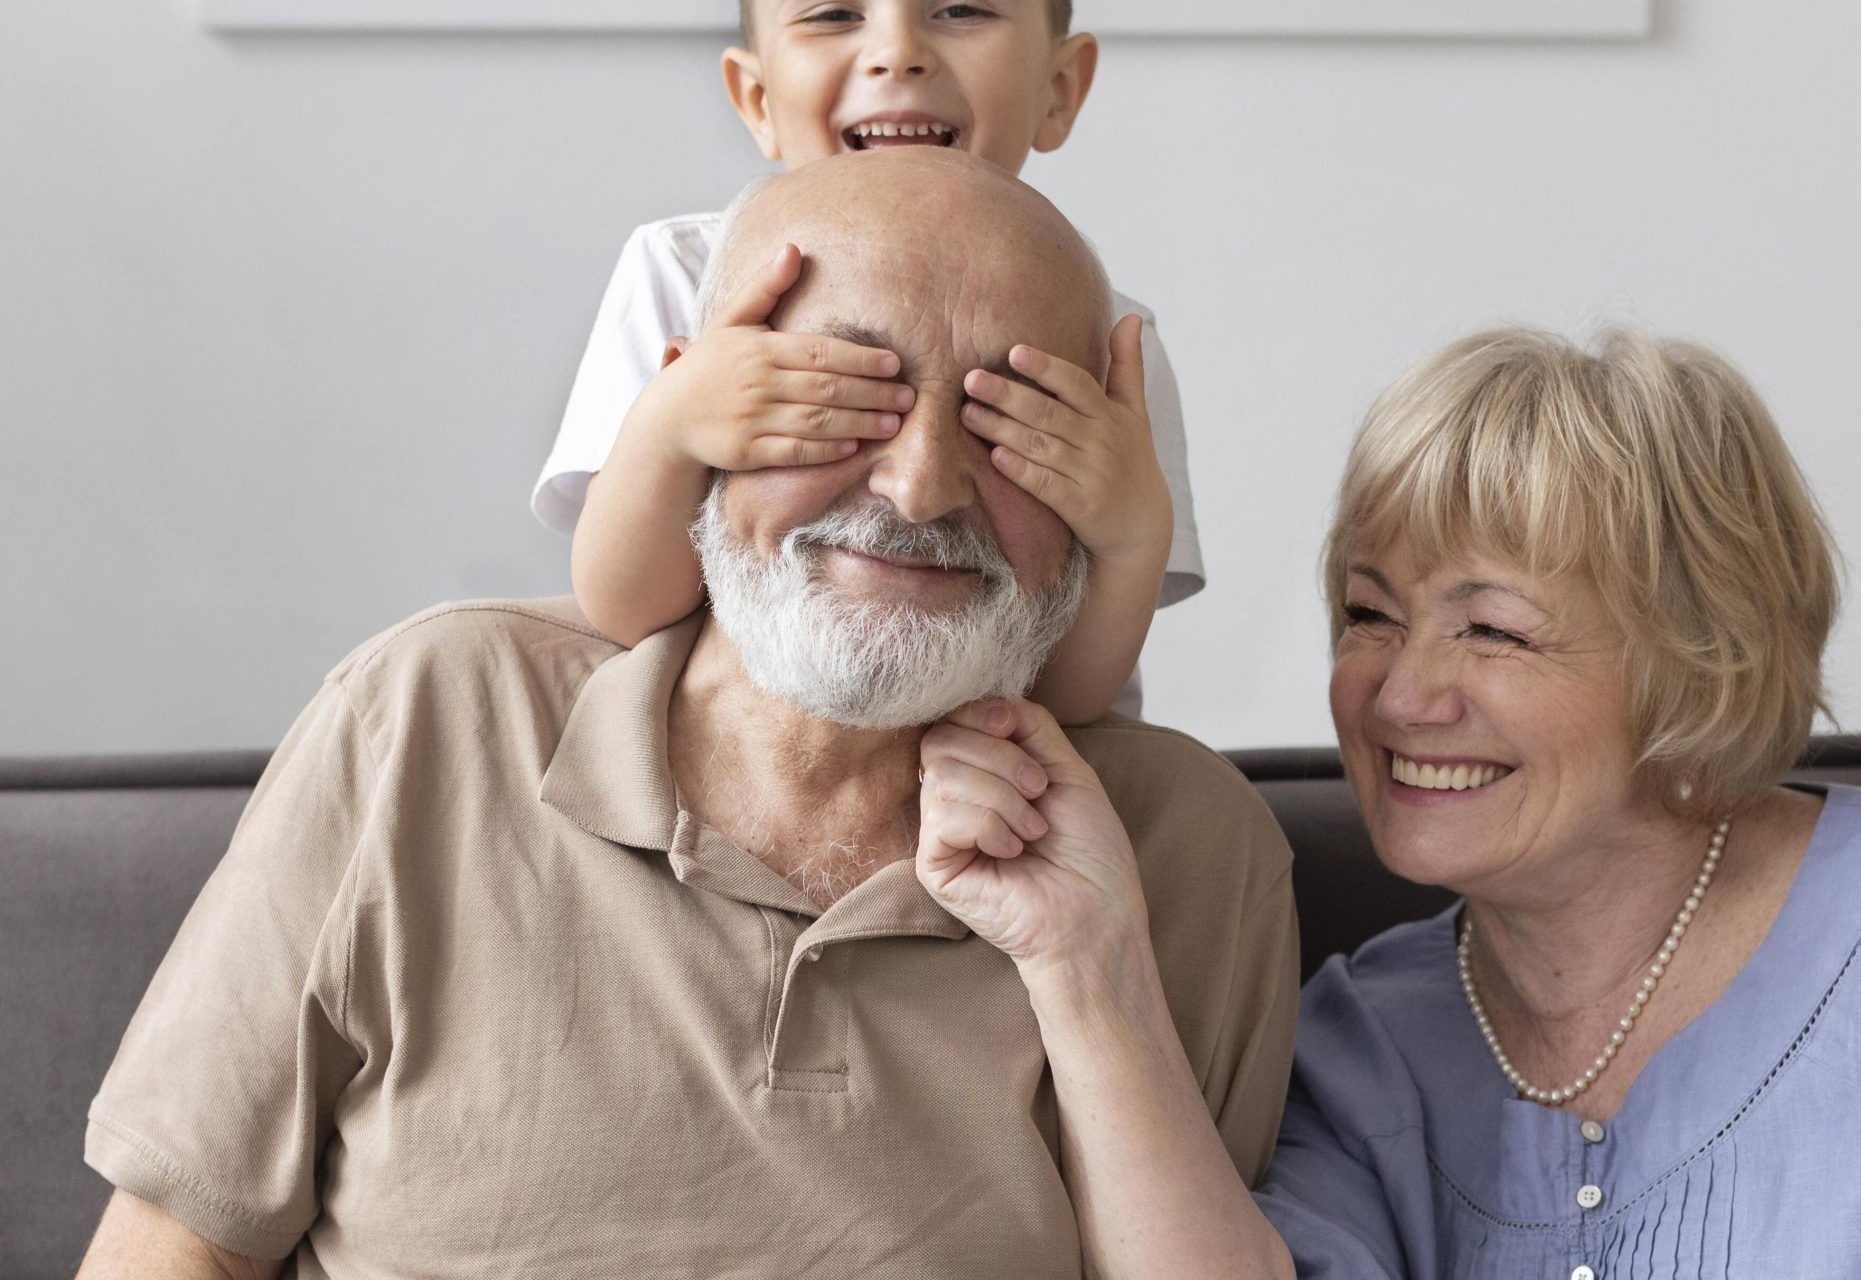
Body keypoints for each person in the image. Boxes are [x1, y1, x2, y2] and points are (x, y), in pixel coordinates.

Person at [75, 148, 1297, 1280]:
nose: (921, 485)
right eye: (841, 392)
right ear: (695, 416)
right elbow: (176, 1244)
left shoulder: (1186, 846)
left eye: (1007, 421)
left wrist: (1092, 972)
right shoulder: (430, 712)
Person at [924, 325, 1861, 1277]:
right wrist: (1085, 956)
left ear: (1691, 658)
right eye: (1370, 614)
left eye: (1493, 631)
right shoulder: (1368, 1041)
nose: (1402, 694)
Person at [537, 0, 1195, 725]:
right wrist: (669, 426)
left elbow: (1069, 701)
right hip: (738, 748)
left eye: (963, 9)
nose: (898, 52)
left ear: (1060, 88)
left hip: (993, 765)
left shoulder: (1106, 331)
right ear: (758, 99)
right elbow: (626, 612)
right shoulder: (683, 273)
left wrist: (1133, 539)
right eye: (834, 13)